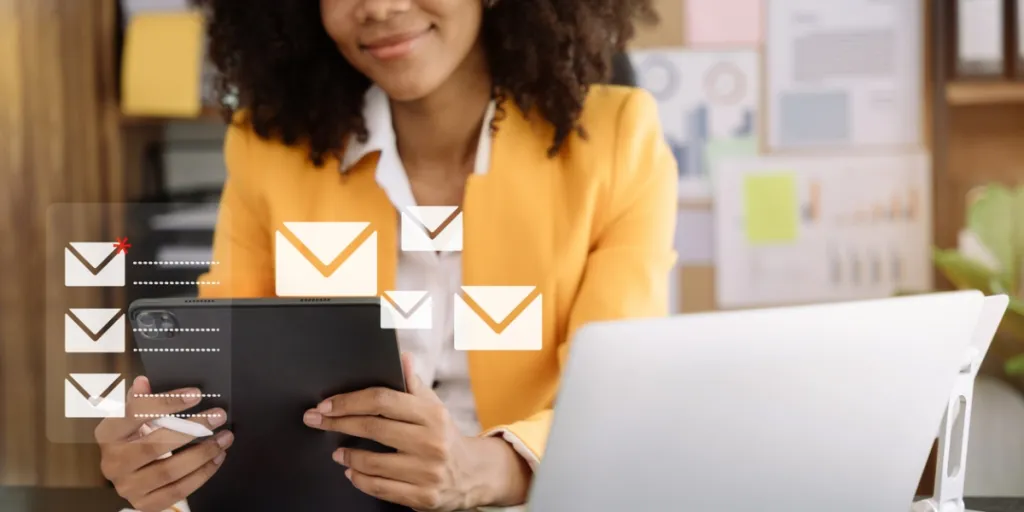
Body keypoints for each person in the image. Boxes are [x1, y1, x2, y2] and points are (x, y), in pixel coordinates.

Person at [94, 0, 677, 510]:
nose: (377, 6)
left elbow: (618, 398)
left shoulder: (616, 141)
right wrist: (167, 467)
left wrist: (483, 470)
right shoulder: (269, 149)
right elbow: (221, 389)